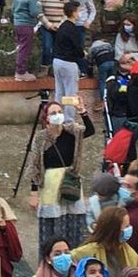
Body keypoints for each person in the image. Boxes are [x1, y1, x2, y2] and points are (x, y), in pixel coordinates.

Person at [27, 100, 95, 252]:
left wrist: (82, 112)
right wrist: (34, 192)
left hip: (70, 181)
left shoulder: (71, 131)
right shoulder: (41, 137)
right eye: (53, 113)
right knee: (53, 224)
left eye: (59, 112)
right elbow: (35, 165)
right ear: (46, 118)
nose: (57, 115)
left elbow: (89, 130)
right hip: (50, 185)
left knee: (74, 221)